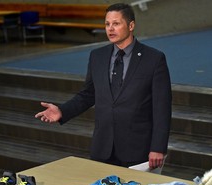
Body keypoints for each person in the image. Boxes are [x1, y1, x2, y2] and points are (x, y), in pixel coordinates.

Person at [35, 3, 172, 169]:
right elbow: (88, 94)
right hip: (103, 149)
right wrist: (63, 111)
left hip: (137, 150)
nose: (110, 29)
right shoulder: (97, 56)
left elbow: (162, 107)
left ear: (131, 25)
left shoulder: (154, 59)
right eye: (107, 24)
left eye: (116, 23)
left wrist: (158, 147)